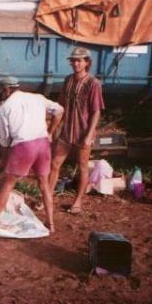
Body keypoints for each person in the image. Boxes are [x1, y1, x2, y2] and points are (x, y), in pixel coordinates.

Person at [0, 76, 64, 233]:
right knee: (44, 185)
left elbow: (4, 140)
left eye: (2, 91)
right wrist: (50, 132)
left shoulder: (5, 108)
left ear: (6, 89)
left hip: (24, 146)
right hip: (43, 144)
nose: (1, 94)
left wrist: (4, 160)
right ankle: (51, 224)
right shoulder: (37, 98)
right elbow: (59, 111)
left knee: (8, 183)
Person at [48, 47, 105, 214]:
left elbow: (96, 112)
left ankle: (78, 201)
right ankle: (48, 197)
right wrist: (52, 129)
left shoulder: (93, 83)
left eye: (79, 60)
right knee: (54, 164)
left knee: (82, 167)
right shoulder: (68, 80)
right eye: (73, 60)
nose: (75, 63)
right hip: (66, 131)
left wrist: (89, 136)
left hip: (83, 133)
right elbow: (60, 107)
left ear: (87, 62)